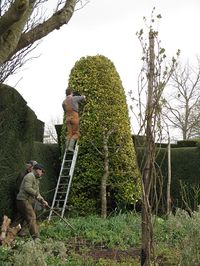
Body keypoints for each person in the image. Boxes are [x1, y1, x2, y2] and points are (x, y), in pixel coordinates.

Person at [16, 163, 48, 241]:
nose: (42, 173)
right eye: (42, 171)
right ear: (37, 169)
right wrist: (37, 195)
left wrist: (42, 200)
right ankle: (36, 237)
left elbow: (37, 192)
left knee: (19, 219)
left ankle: (10, 232)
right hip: (23, 200)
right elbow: (27, 188)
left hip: (26, 200)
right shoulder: (30, 176)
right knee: (32, 216)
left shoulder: (36, 179)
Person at [62, 87, 86, 152]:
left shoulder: (64, 102)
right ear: (71, 92)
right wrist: (84, 96)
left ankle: (66, 148)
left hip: (67, 118)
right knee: (76, 134)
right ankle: (70, 147)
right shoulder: (74, 98)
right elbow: (83, 97)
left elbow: (64, 110)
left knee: (69, 133)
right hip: (74, 117)